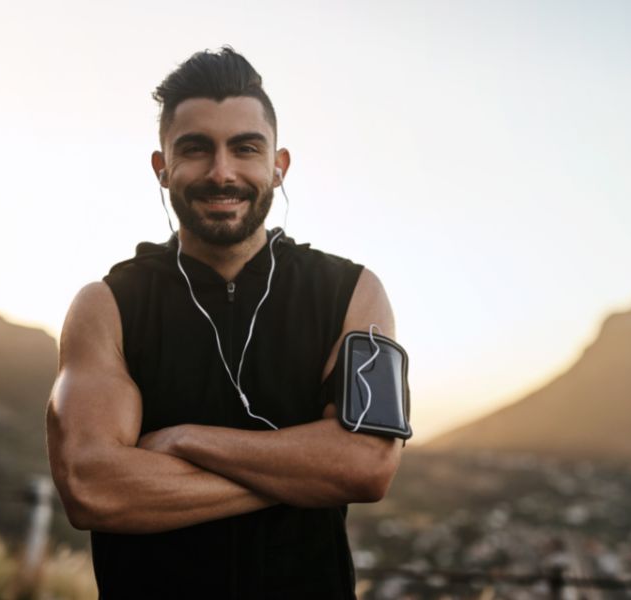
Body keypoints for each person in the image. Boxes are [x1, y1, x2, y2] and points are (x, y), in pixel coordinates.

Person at [46, 47, 403, 598]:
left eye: (245, 148)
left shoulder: (352, 292)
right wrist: (304, 474)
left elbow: (369, 466)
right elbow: (92, 487)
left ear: (278, 166)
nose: (221, 171)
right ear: (162, 168)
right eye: (195, 149)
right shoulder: (107, 305)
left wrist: (185, 440)